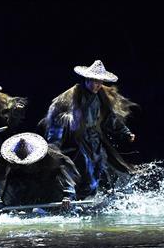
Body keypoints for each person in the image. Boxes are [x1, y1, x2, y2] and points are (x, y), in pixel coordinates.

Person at [41, 60, 137, 199]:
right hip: (77, 141)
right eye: (94, 81)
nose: (98, 85)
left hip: (94, 139)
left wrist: (125, 132)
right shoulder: (71, 97)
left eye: (100, 81)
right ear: (87, 79)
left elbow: (110, 118)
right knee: (84, 169)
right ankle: (75, 197)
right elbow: (58, 119)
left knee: (102, 168)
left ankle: (102, 196)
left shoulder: (101, 96)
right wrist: (54, 144)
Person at [0, 132, 80, 212]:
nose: (26, 166)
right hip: (28, 204)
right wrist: (2, 205)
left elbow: (68, 185)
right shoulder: (16, 172)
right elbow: (8, 196)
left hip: (52, 200)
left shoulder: (51, 166)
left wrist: (68, 198)